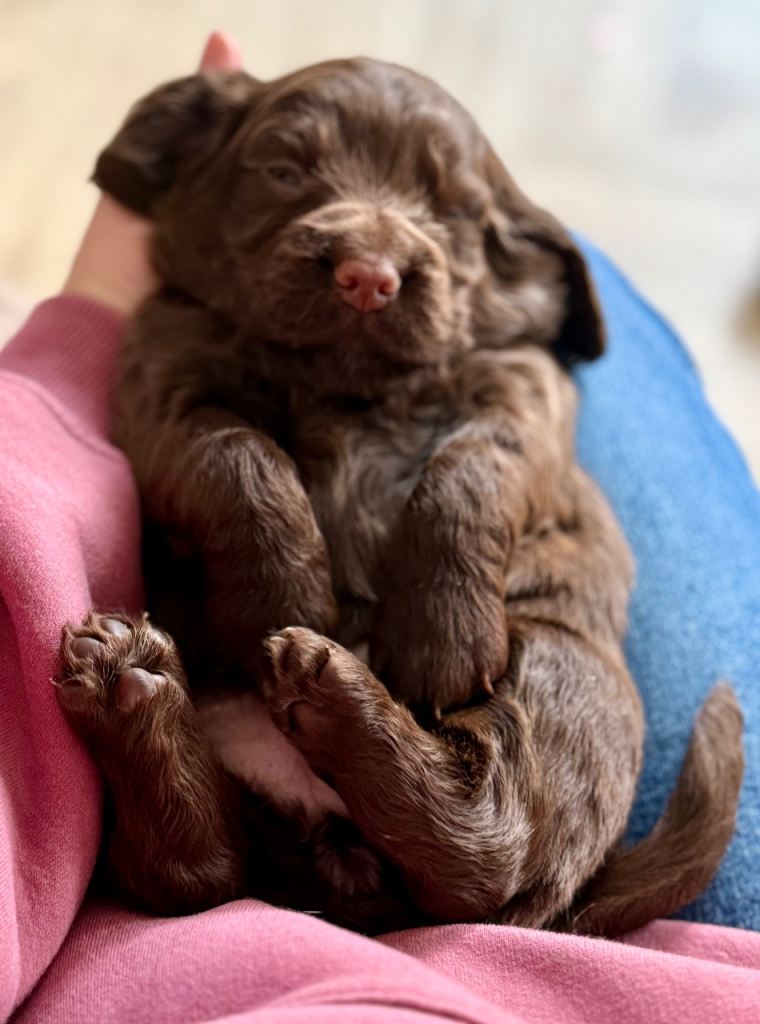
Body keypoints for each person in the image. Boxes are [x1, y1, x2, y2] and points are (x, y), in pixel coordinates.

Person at [2, 31, 759, 1024]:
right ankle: (230, 815)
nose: (370, 257)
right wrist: (249, 509)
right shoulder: (186, 334)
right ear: (192, 170)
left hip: (341, 874)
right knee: (186, 837)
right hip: (386, 920)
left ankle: (451, 824)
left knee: (574, 682)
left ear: (521, 267)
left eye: (443, 210)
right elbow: (176, 418)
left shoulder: (507, 371)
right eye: (285, 171)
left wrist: (463, 514)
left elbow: (522, 417)